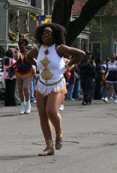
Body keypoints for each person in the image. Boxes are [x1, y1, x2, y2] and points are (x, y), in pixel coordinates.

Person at [24, 24, 84, 156]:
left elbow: (80, 54)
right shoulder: (38, 49)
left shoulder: (59, 48)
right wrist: (37, 65)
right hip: (41, 85)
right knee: (42, 115)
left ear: (55, 36)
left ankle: (59, 133)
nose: (45, 35)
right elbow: (28, 57)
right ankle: (49, 146)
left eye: (49, 33)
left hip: (56, 84)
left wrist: (67, 66)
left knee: (51, 111)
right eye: (44, 33)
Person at [15, 39, 35, 114]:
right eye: (20, 47)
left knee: (26, 88)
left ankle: (28, 104)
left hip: (28, 72)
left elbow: (33, 61)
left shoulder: (29, 53)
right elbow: (17, 63)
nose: (21, 48)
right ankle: (23, 106)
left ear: (25, 46)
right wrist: (11, 68)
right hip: (20, 72)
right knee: (20, 89)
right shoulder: (18, 53)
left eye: (22, 47)